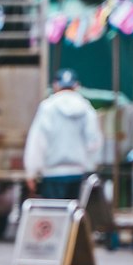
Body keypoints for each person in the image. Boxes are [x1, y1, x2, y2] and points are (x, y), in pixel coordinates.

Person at [24, 70, 102, 199]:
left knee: (56, 215)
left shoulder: (47, 108)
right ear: (77, 86)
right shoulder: (86, 108)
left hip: (51, 174)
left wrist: (31, 172)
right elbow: (94, 141)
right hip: (78, 173)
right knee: (75, 216)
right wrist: (91, 165)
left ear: (55, 85)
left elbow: (38, 142)